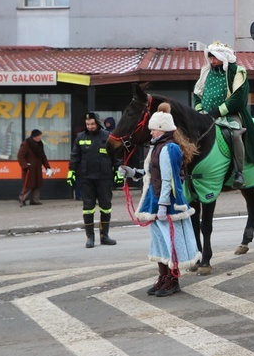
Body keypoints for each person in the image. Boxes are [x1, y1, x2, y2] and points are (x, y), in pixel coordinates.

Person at [118, 103, 202, 297]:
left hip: (167, 204)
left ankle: (173, 280)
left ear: (162, 129)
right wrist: (133, 172)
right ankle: (163, 277)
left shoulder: (169, 149)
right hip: (155, 201)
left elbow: (168, 180)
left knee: (170, 243)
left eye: (153, 129)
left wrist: (164, 205)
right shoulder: (157, 147)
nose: (151, 132)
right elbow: (151, 173)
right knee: (160, 243)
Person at [192, 40, 254, 189]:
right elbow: (197, 93)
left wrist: (218, 111)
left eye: (215, 57)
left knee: (235, 135)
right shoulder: (206, 71)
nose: (212, 60)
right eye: (210, 57)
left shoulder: (237, 71)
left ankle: (239, 173)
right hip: (205, 115)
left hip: (229, 114)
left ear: (223, 58)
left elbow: (238, 97)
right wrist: (199, 110)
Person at [67, 112, 123, 248]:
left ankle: (104, 236)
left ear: (97, 123)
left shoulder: (108, 136)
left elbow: (116, 156)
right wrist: (71, 171)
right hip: (86, 179)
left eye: (92, 124)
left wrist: (118, 172)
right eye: (88, 124)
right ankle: (90, 237)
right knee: (88, 209)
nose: (90, 126)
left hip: (104, 178)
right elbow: (75, 156)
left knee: (106, 208)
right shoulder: (80, 137)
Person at [17, 129, 53, 206]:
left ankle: (35, 200)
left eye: (41, 136)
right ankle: (22, 198)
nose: (40, 137)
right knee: (28, 184)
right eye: (39, 136)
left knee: (37, 184)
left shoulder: (40, 144)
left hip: (37, 167)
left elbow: (43, 156)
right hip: (29, 168)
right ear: (35, 136)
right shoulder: (26, 144)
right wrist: (24, 166)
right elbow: (20, 156)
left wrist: (47, 167)